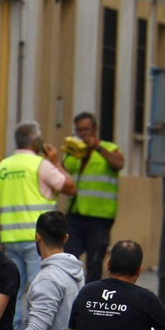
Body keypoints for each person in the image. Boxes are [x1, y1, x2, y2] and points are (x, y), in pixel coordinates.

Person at [0, 120, 75, 330]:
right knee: (40, 288)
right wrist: (56, 162)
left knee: (13, 290)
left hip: (10, 238)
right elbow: (69, 187)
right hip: (38, 239)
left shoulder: (2, 167)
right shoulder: (41, 165)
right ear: (36, 140)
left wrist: (0, 236)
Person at [63, 111, 125, 283]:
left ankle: (91, 295)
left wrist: (97, 146)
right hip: (75, 213)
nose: (83, 134)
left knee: (95, 261)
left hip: (100, 216)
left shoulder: (110, 149)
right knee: (68, 257)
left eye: (86, 130)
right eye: (79, 130)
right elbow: (63, 173)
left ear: (95, 129)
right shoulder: (74, 153)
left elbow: (118, 163)